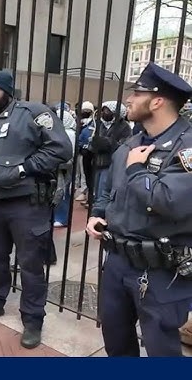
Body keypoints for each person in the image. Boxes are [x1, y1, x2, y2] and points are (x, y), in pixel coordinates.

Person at [85, 62, 192, 357]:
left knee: (162, 352)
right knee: (117, 343)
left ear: (157, 101)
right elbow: (108, 188)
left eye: (137, 93)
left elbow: (169, 201)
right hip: (118, 262)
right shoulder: (131, 143)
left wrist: (136, 170)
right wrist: (98, 213)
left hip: (159, 270)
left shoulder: (186, 147)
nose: (128, 100)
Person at [0, 70, 73, 349]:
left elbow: (61, 150)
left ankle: (33, 320)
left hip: (26, 204)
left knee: (30, 265)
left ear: (8, 91)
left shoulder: (32, 113)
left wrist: (24, 168)